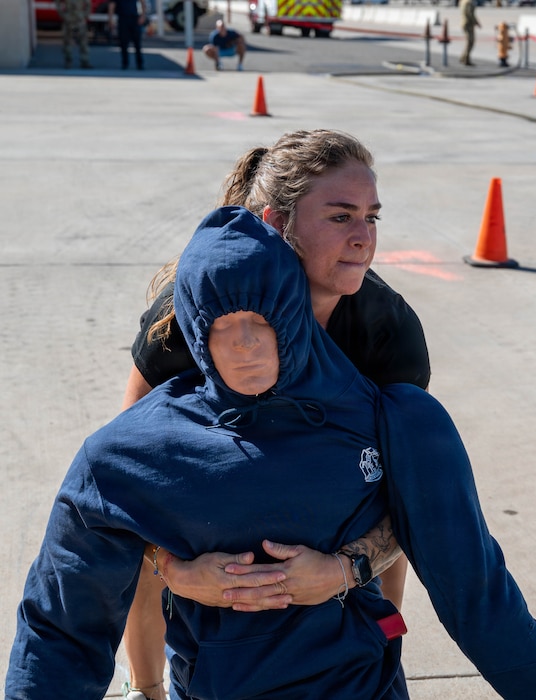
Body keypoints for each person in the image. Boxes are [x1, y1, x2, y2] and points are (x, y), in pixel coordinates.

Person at [6, 207, 536, 700]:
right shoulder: (131, 450)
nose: (245, 345)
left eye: (262, 320)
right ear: (197, 332)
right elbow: (61, 622)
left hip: (358, 684)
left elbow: (473, 582)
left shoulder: (393, 419)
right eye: (223, 327)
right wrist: (171, 569)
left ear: (293, 313)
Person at [121, 129, 430, 700]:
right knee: (142, 570)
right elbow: (125, 487)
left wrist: (346, 570)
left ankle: (384, 661)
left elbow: (413, 501)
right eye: (340, 217)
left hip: (334, 516)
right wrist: (174, 569)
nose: (364, 239)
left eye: (372, 218)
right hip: (209, 522)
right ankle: (145, 687)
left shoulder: (387, 333)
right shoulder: (181, 325)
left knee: (383, 595)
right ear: (274, 224)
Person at [108, 0, 146, 70]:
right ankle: (125, 63)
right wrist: (110, 19)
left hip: (135, 18)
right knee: (123, 42)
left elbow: (142, 2)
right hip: (123, 18)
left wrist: (143, 16)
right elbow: (112, 5)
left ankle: (139, 63)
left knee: (137, 42)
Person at [55, 0, 92, 69]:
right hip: (68, 18)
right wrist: (63, 15)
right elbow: (57, 3)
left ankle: (84, 61)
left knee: (83, 41)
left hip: (79, 18)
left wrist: (85, 15)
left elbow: (88, 4)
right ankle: (68, 61)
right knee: (67, 41)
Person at [459, 0, 481, 66]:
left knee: (469, 42)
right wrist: (476, 22)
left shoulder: (463, 1)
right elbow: (470, 14)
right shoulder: (469, 2)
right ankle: (466, 59)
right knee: (470, 42)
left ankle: (463, 57)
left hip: (465, 23)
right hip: (468, 24)